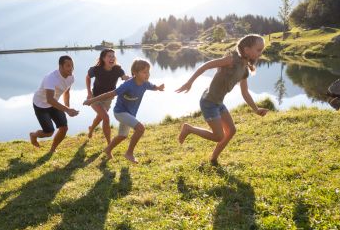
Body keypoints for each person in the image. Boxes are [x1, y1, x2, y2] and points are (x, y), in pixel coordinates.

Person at [176, 34, 270, 164]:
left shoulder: (244, 70)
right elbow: (206, 66)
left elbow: (245, 93)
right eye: (258, 49)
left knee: (231, 131)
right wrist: (189, 82)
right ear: (247, 50)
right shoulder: (231, 60)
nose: (260, 53)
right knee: (218, 136)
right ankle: (189, 129)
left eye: (262, 50)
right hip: (209, 102)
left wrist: (256, 109)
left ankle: (213, 159)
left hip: (218, 103)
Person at [84, 59, 164, 163]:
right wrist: (92, 100)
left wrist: (158, 87)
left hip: (129, 113)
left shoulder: (145, 83)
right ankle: (129, 153)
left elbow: (152, 86)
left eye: (148, 72)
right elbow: (110, 94)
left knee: (122, 135)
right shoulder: (128, 84)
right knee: (140, 128)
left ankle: (108, 149)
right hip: (120, 112)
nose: (147, 75)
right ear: (135, 73)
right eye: (144, 72)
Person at [29, 55, 79, 153]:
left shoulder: (71, 78)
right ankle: (33, 135)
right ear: (60, 66)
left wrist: (67, 107)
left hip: (53, 103)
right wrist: (67, 110)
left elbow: (66, 92)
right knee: (49, 132)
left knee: (64, 128)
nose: (71, 69)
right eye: (68, 66)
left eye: (72, 66)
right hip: (41, 105)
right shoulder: (51, 78)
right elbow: (50, 99)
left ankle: (52, 149)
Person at [85, 49, 129, 143]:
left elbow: (124, 77)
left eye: (113, 56)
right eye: (109, 56)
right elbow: (87, 77)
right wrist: (89, 93)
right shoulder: (96, 69)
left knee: (100, 117)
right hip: (95, 97)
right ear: (103, 58)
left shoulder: (118, 69)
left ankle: (91, 129)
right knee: (106, 117)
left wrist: (127, 78)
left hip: (108, 98)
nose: (112, 58)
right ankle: (109, 144)